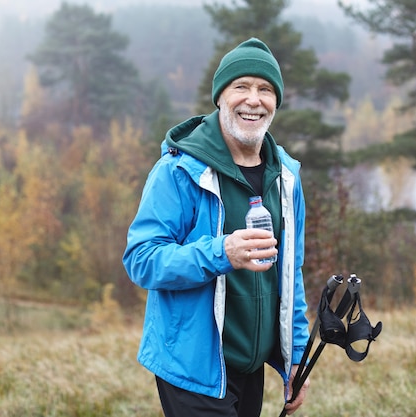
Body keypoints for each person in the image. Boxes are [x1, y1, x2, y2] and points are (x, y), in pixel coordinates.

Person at [122, 37, 310, 417]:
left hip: (249, 365)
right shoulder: (179, 170)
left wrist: (296, 358)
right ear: (220, 97)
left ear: (276, 102)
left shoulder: (286, 177)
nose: (253, 100)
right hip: (193, 369)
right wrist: (221, 252)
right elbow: (142, 260)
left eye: (265, 90)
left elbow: (292, 273)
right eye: (241, 86)